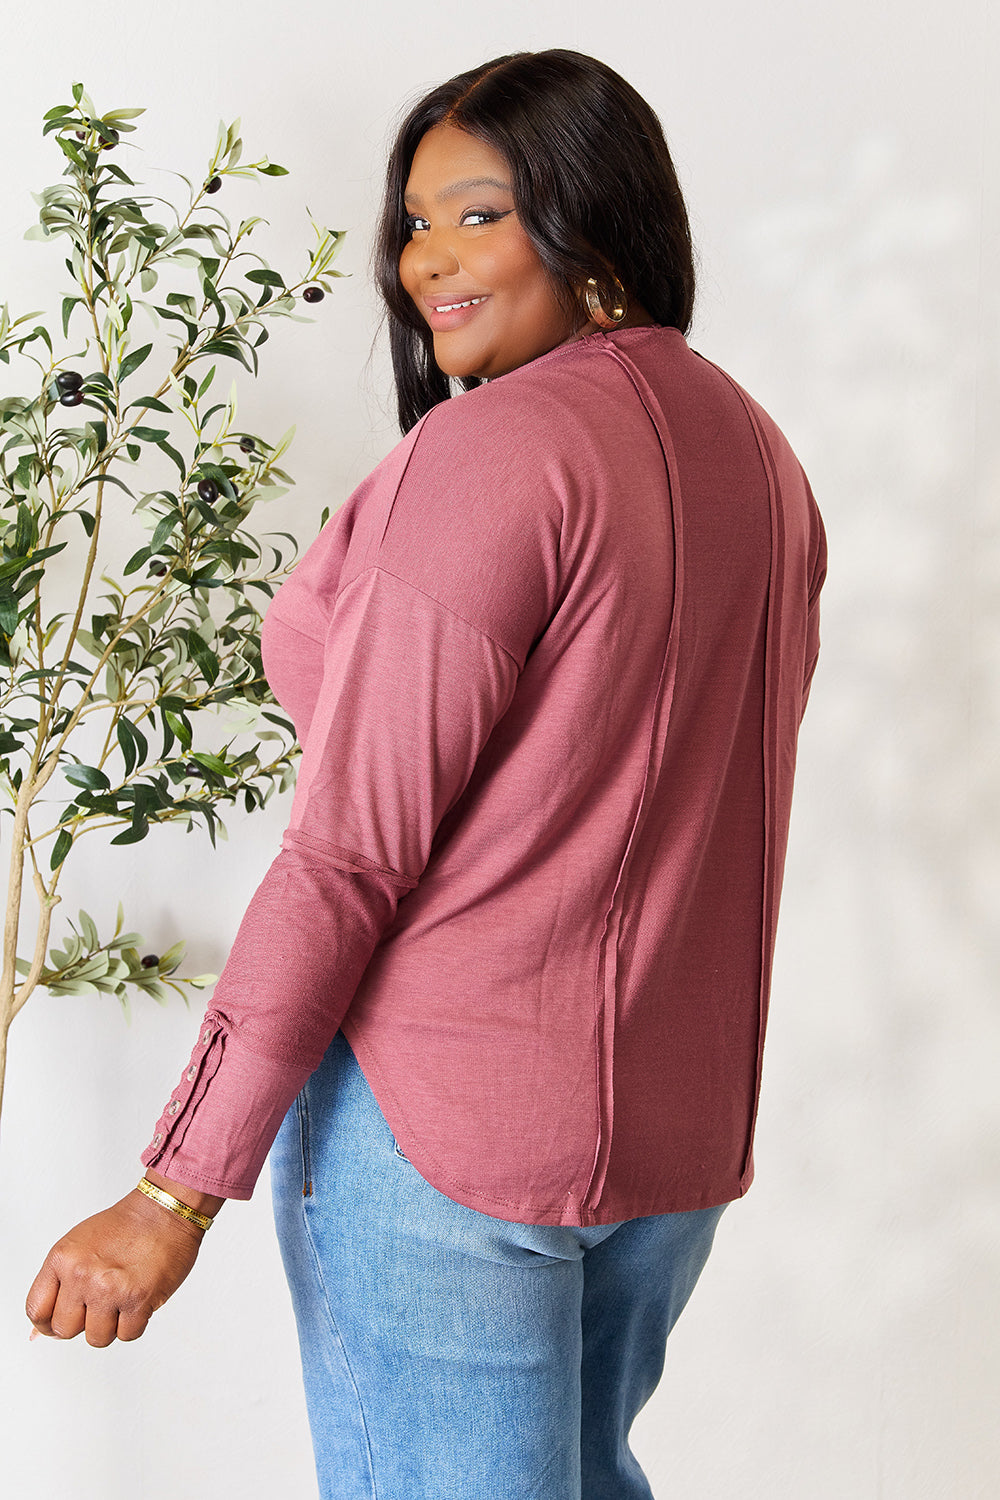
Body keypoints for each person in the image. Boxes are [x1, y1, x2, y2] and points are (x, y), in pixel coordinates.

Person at [26, 48, 827, 1500]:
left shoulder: (494, 455)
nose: (424, 263)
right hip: (668, 1141)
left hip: (440, 1137)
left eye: (478, 215)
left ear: (591, 217)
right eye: (413, 223)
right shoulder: (757, 456)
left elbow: (348, 858)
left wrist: (173, 1191)